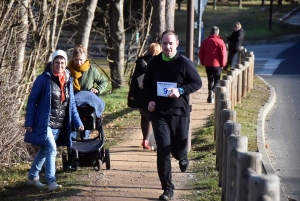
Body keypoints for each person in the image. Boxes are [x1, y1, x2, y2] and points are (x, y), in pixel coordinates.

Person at [143, 30, 202, 201]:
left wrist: (181, 90)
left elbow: (197, 82)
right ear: (160, 44)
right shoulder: (154, 63)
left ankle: (183, 156)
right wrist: (149, 101)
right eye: (164, 43)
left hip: (179, 112)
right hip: (159, 113)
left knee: (177, 150)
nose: (167, 47)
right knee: (163, 149)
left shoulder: (184, 63)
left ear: (177, 44)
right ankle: (168, 189)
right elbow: (146, 85)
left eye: (170, 43)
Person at [24, 50, 84, 191]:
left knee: (45, 150)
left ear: (65, 64)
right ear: (52, 63)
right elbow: (32, 101)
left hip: (59, 123)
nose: (60, 65)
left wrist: (78, 122)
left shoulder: (68, 80)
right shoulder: (43, 79)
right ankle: (52, 182)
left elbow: (72, 105)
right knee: (51, 149)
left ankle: (32, 177)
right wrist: (29, 122)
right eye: (57, 62)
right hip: (44, 122)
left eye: (62, 62)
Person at [68, 45, 108, 139]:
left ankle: (86, 140)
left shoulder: (91, 70)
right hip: (73, 99)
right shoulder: (68, 70)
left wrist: (97, 89)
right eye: (76, 60)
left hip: (87, 101)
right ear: (73, 59)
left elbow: (104, 82)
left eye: (81, 60)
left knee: (87, 121)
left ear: (85, 59)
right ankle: (72, 142)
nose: (79, 62)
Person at [128, 43, 161, 150]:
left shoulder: (141, 61)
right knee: (150, 117)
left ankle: (144, 138)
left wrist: (132, 94)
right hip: (152, 93)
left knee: (143, 117)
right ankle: (146, 140)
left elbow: (134, 79)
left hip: (141, 93)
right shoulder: (159, 61)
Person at [198, 26, 227, 103]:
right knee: (217, 80)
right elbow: (223, 54)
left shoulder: (205, 41)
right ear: (218, 33)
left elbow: (201, 53)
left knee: (210, 80)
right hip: (217, 64)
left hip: (208, 64)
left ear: (211, 32)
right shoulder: (220, 42)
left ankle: (210, 93)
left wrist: (202, 62)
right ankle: (213, 92)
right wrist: (223, 64)